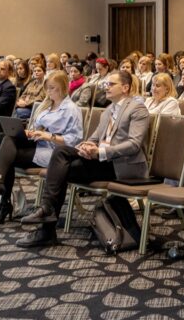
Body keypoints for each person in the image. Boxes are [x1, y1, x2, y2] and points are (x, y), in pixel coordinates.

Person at [17, 70, 150, 247]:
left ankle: (46, 225)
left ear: (125, 87)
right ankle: (47, 215)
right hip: (100, 160)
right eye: (106, 84)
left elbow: (134, 144)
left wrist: (100, 153)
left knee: (61, 169)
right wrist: (85, 146)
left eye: (111, 84)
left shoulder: (137, 109)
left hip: (122, 165)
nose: (106, 87)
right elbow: (94, 138)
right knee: (62, 153)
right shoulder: (108, 110)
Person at [0, 71, 83, 225]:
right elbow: (36, 127)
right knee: (7, 137)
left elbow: (74, 140)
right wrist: (30, 132)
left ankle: (2, 198)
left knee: (8, 157)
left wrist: (48, 136)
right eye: (47, 88)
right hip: (37, 145)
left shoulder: (71, 109)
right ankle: (0, 188)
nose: (48, 91)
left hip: (54, 153)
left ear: (63, 87)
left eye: (52, 88)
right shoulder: (46, 105)